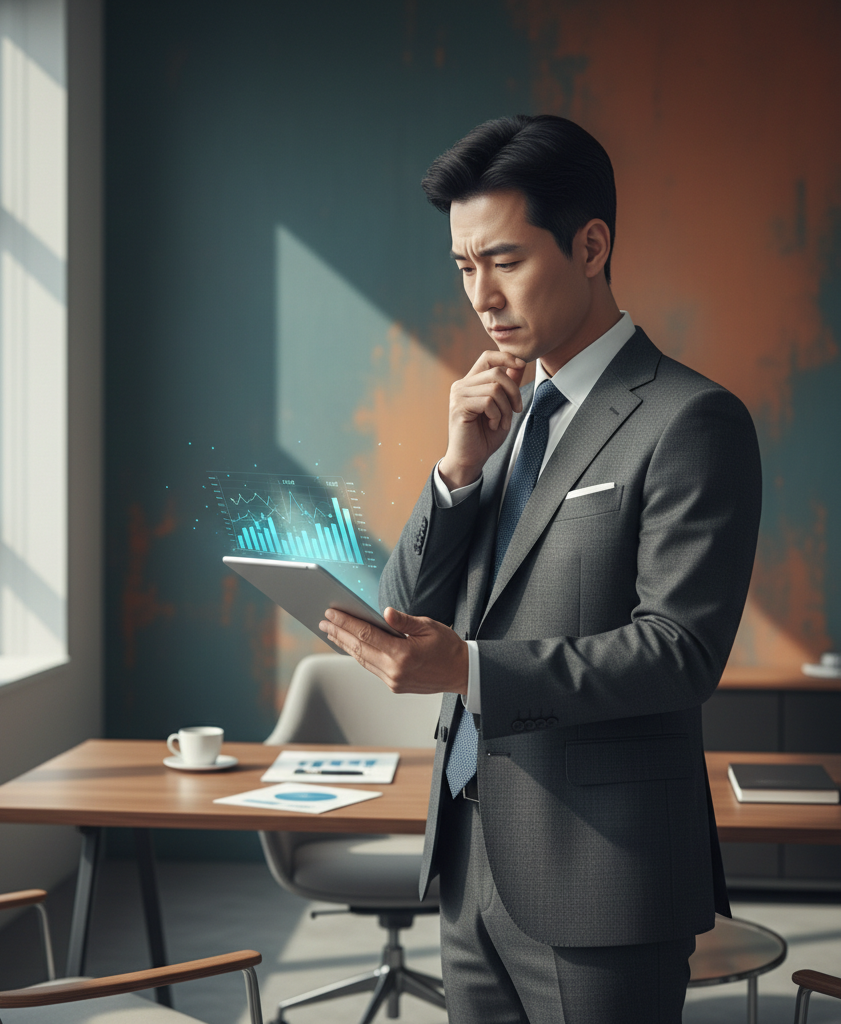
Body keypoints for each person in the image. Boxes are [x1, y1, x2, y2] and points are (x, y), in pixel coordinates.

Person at [318, 114, 762, 1023]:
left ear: (591, 246)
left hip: (603, 874)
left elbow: (680, 652)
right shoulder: (504, 417)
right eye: (463, 266)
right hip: (468, 860)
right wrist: (456, 471)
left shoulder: (690, 420)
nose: (481, 296)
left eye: (505, 261)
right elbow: (406, 604)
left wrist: (470, 669)